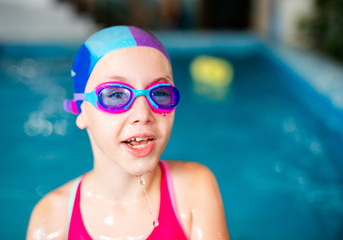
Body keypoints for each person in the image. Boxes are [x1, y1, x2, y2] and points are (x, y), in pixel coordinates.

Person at [26, 25, 230, 240]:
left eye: (160, 93)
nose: (143, 114)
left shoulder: (193, 189)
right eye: (115, 95)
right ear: (82, 111)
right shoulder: (53, 221)